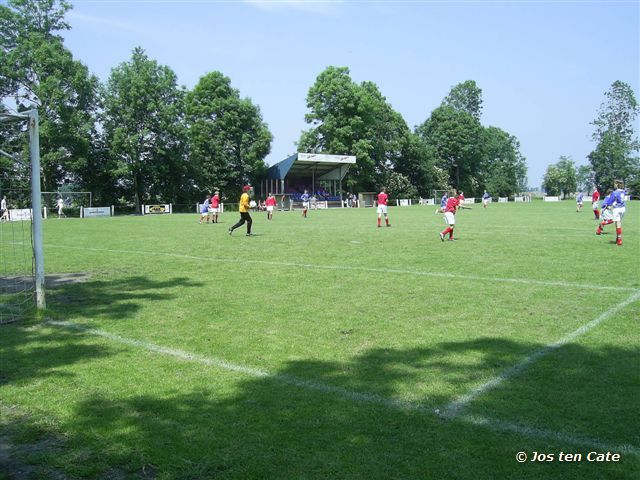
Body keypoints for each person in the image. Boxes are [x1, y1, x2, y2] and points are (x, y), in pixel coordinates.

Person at [597, 180, 627, 246]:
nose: (614, 185)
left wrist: (608, 206)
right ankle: (617, 238)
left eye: (614, 184)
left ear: (616, 184)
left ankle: (619, 239)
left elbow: (610, 202)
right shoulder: (623, 192)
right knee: (618, 223)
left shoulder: (615, 192)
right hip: (623, 208)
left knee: (617, 223)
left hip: (617, 209)